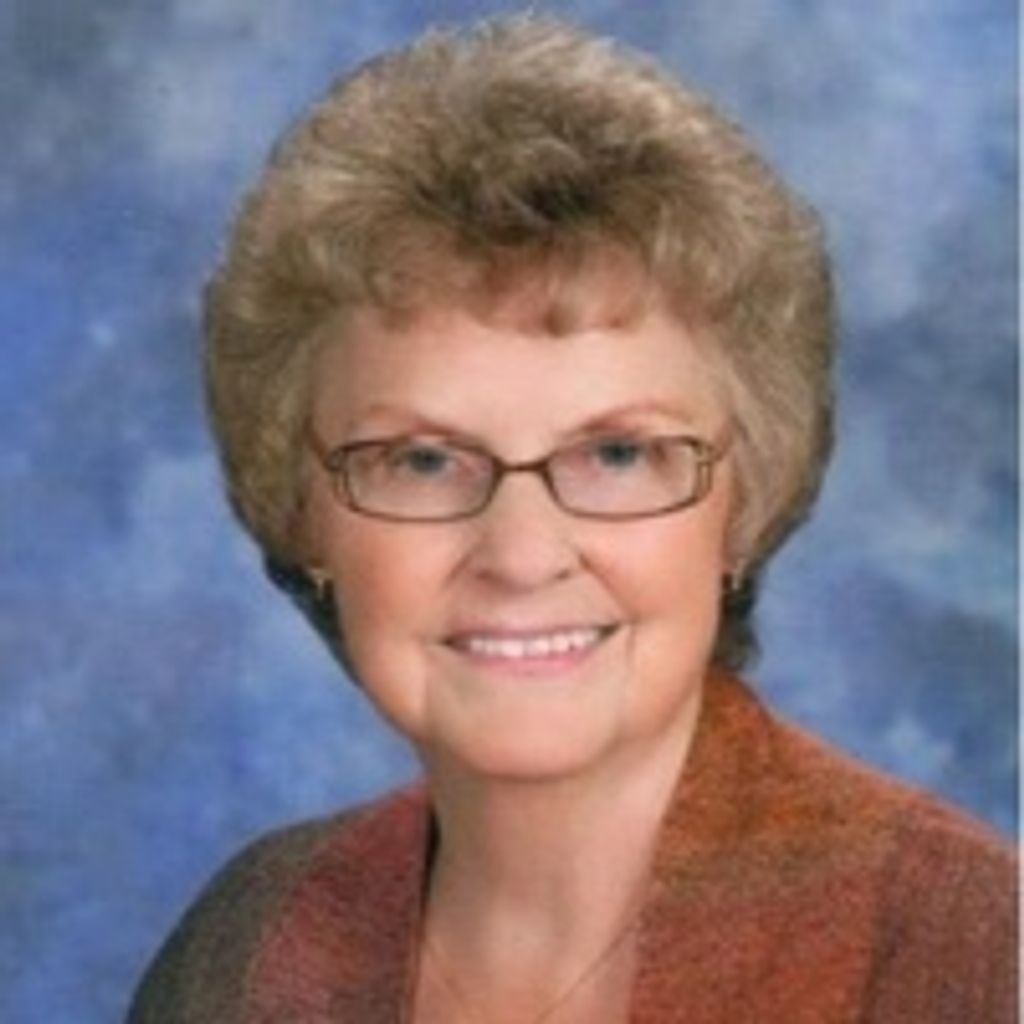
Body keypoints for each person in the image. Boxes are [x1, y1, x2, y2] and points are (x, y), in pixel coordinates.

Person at [128, 14, 1016, 1023]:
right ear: (305, 515)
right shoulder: (250, 943)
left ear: (744, 500)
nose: (521, 554)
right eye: (423, 460)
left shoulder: (964, 951)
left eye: (617, 454)